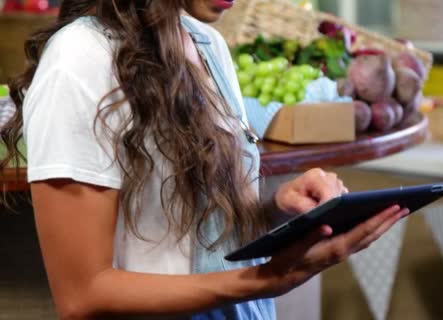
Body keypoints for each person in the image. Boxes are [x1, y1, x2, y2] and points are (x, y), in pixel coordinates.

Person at [1, 1, 409, 319]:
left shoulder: (206, 44)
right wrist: (267, 279)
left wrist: (278, 209)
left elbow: (195, 237)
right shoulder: (79, 57)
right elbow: (83, 295)